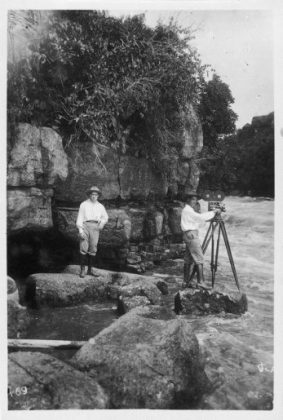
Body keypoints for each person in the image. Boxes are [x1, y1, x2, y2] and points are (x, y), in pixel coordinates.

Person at [181, 191, 220, 289]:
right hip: (191, 235)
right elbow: (200, 217)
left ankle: (186, 282)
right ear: (188, 200)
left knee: (188, 260)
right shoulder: (188, 210)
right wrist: (214, 212)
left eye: (196, 199)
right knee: (199, 258)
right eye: (193, 199)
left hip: (189, 234)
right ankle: (200, 282)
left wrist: (209, 216)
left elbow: (198, 221)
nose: (195, 201)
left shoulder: (188, 211)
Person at [76, 186, 109, 278]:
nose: (94, 196)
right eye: (92, 194)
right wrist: (80, 230)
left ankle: (90, 270)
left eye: (96, 194)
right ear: (89, 195)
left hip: (95, 227)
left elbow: (105, 217)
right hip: (85, 225)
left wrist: (102, 223)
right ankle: (83, 270)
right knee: (83, 247)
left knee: (93, 248)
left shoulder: (100, 206)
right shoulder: (84, 204)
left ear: (98, 196)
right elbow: (80, 218)